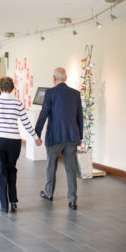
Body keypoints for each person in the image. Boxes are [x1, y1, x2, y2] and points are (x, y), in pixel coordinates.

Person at [0, 77, 42, 213]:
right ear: (12, 88)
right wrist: (36, 137)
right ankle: (14, 201)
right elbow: (26, 123)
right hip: (14, 141)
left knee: (0, 173)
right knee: (11, 169)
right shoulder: (17, 103)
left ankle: (4, 205)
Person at [35, 67, 83, 210]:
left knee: (51, 165)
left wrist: (36, 133)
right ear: (66, 78)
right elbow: (79, 116)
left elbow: (43, 114)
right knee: (71, 169)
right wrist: (80, 135)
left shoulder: (50, 93)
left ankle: (49, 193)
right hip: (71, 136)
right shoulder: (75, 94)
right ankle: (72, 200)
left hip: (55, 136)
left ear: (54, 78)